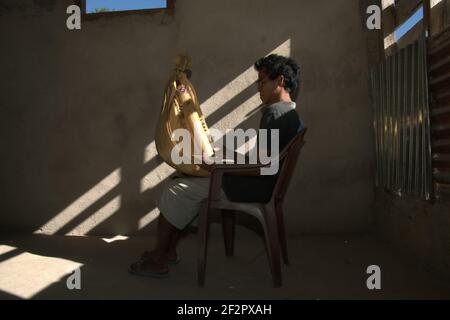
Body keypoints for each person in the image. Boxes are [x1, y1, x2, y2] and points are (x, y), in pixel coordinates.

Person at [129, 54, 304, 278]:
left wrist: (219, 168)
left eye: (262, 82)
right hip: (262, 183)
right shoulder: (291, 114)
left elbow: (262, 167)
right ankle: (168, 250)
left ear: (280, 81)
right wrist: (228, 157)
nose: (259, 88)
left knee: (176, 189)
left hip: (253, 187)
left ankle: (158, 259)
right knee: (186, 179)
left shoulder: (274, 113)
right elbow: (266, 160)